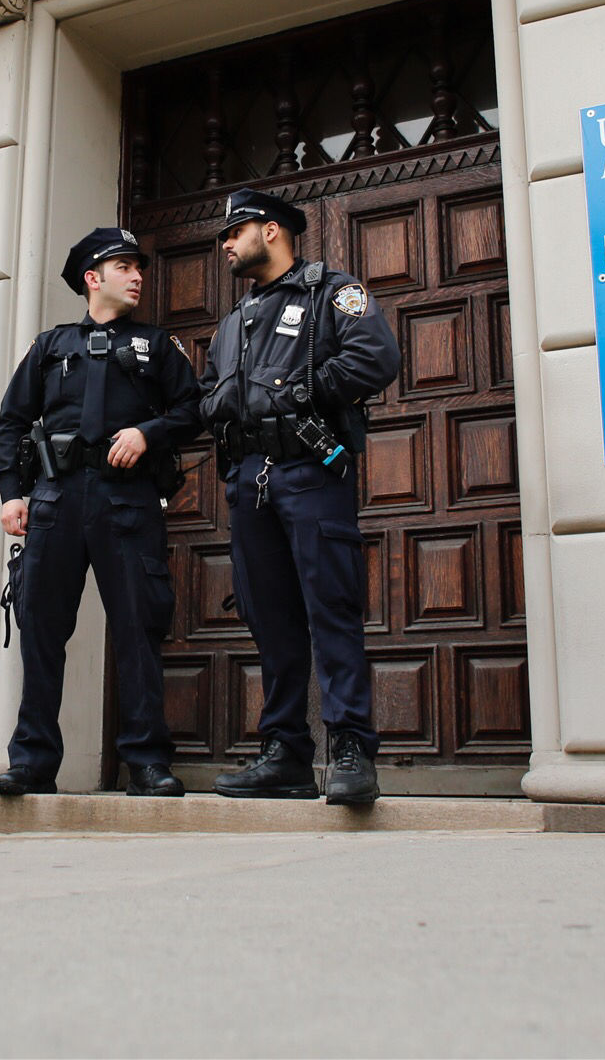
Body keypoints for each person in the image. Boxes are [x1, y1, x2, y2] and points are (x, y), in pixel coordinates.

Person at [199, 189, 401, 805]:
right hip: (250, 482)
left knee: (331, 610)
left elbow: (377, 356)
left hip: (312, 472)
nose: (227, 245)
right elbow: (210, 393)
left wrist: (305, 395)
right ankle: (284, 751)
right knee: (271, 621)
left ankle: (350, 749)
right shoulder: (233, 323)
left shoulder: (330, 293)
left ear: (271, 230)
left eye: (235, 233)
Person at [0, 227, 202, 797]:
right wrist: (12, 491)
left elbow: (194, 410)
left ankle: (147, 762)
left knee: (138, 629)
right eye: (125, 267)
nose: (137, 277)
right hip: (56, 501)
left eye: (139, 268)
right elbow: (12, 422)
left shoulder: (157, 346)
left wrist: (147, 432)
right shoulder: (50, 346)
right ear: (93, 277)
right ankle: (33, 762)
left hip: (128, 499)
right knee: (41, 631)